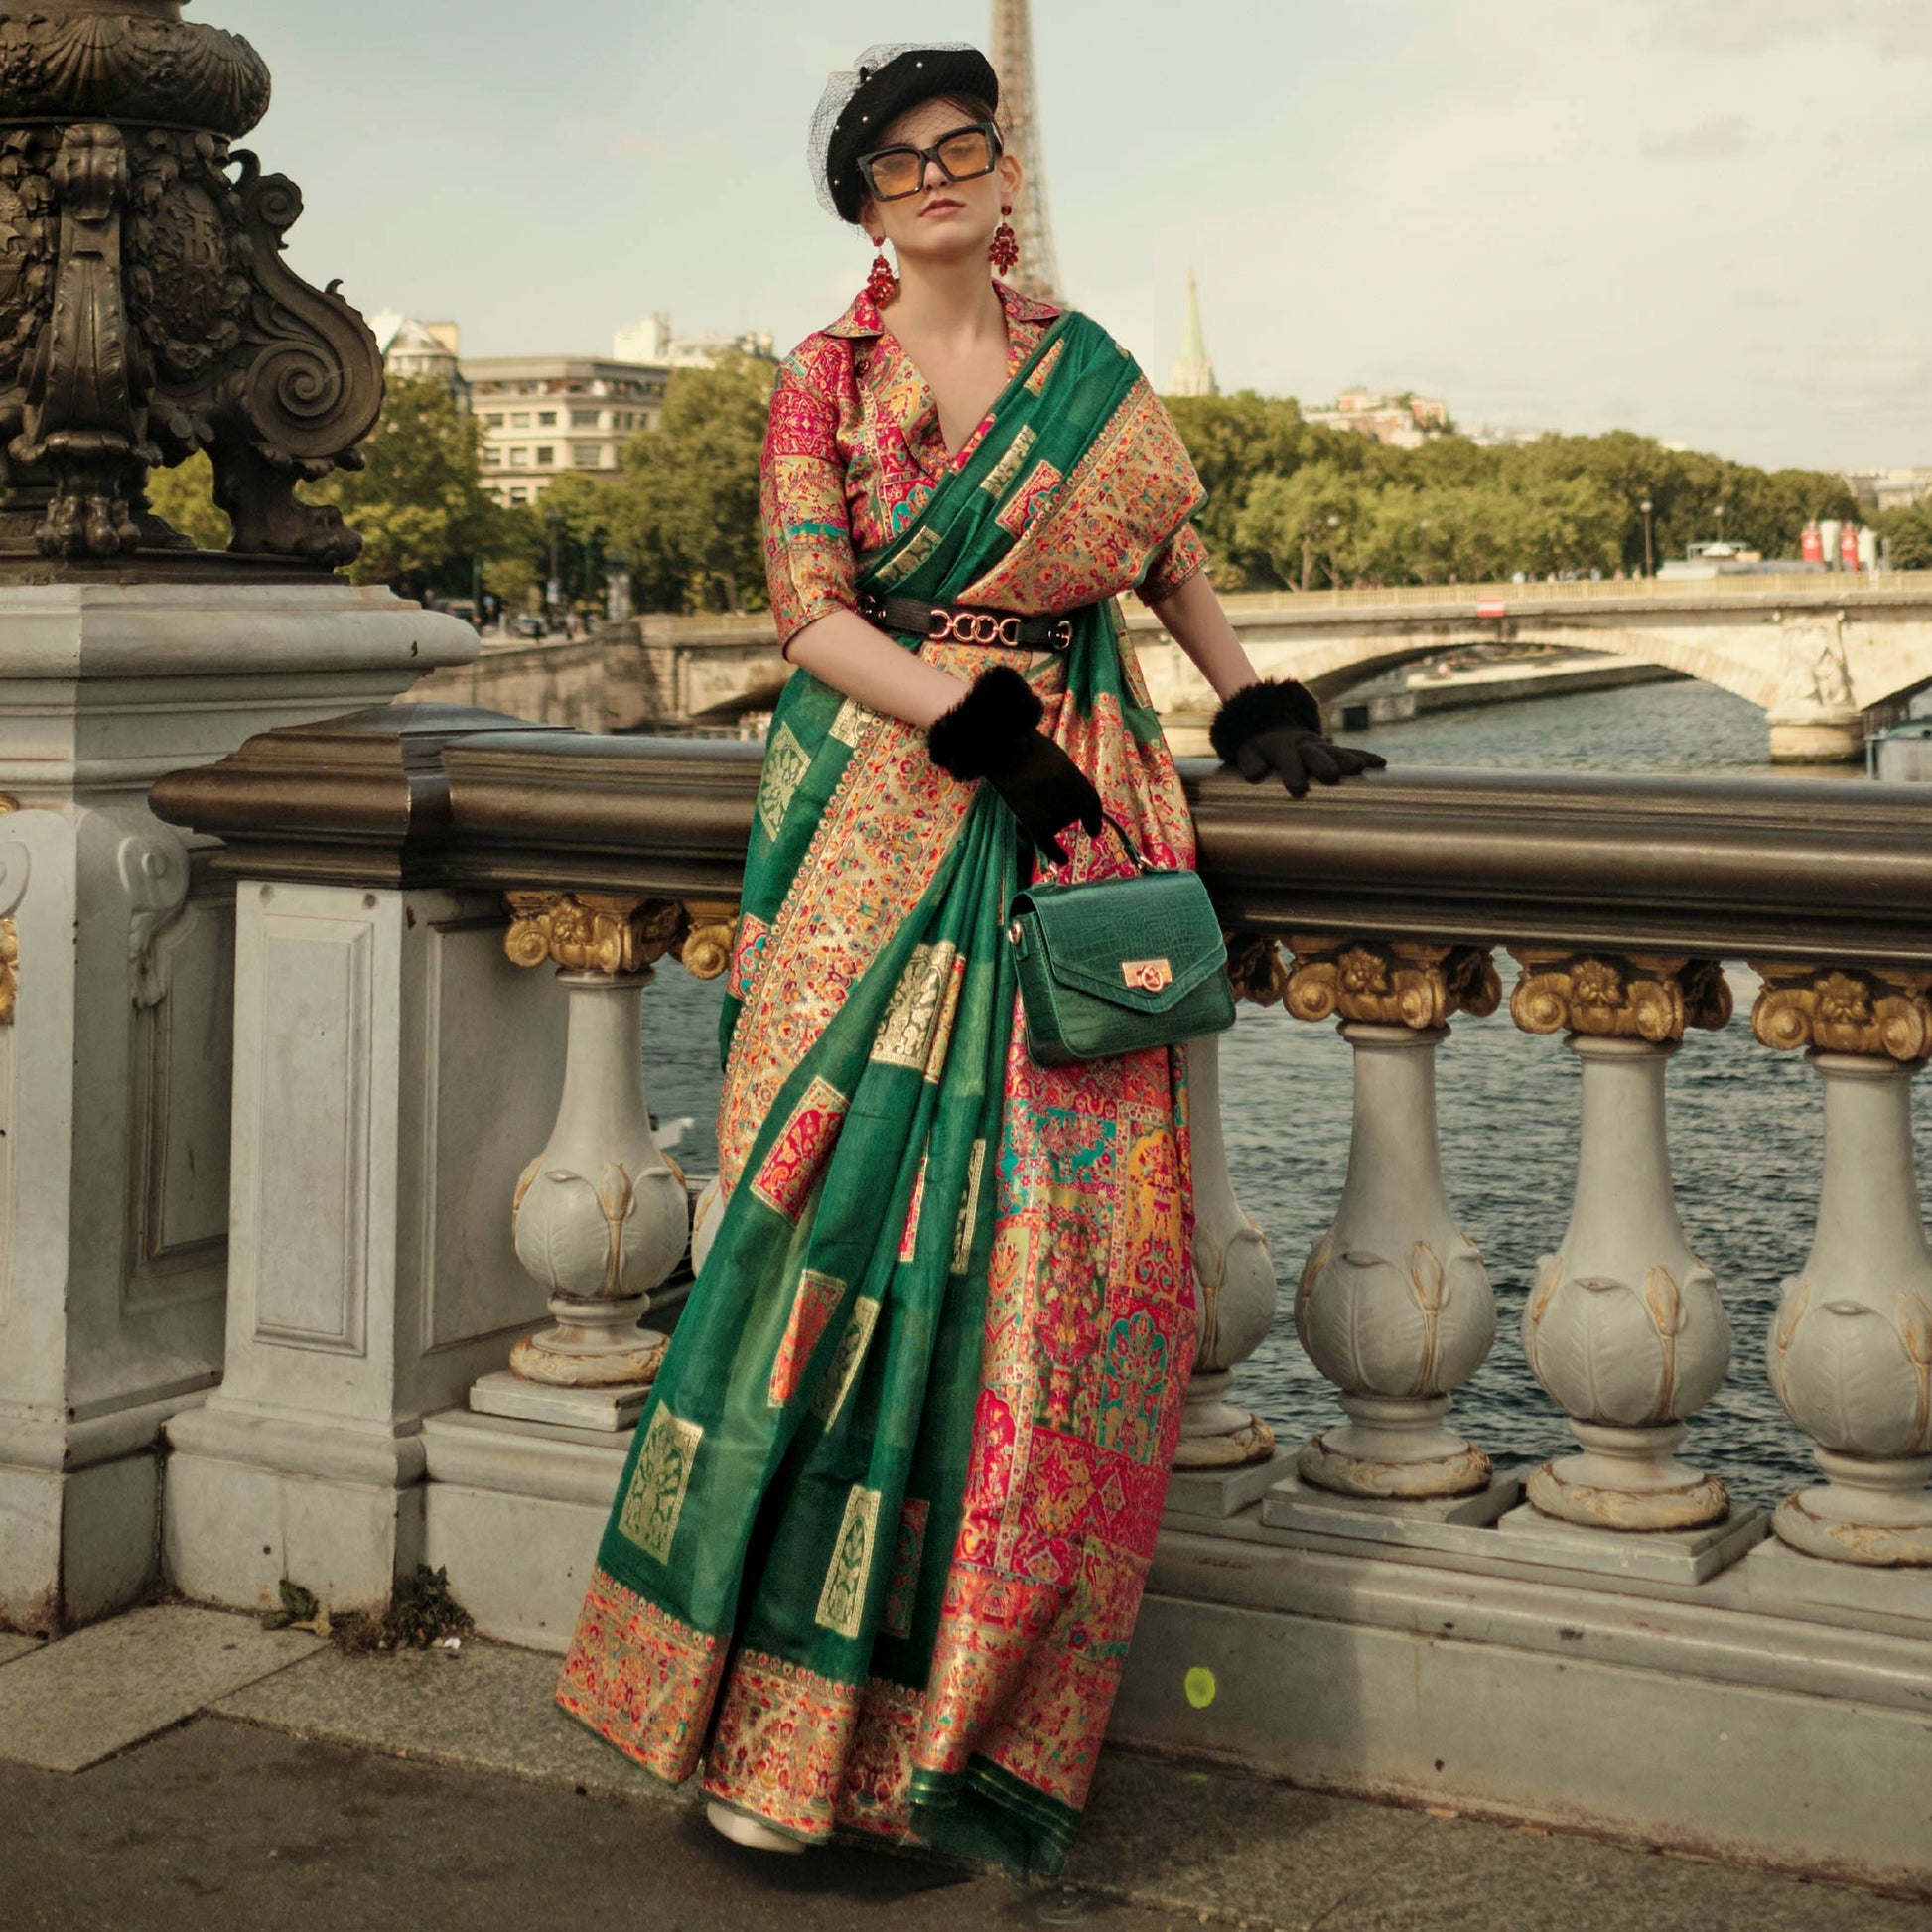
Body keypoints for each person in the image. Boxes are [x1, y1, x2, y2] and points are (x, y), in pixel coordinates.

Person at [556, 40, 1383, 1877]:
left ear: (1003, 171)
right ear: (861, 200)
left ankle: (955, 1735)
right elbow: (811, 616)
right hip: (887, 818)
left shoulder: (1084, 372)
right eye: (902, 162)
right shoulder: (820, 381)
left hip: (1080, 812)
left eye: (967, 148)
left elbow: (1166, 561)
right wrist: (979, 730)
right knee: (821, 1247)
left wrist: (1257, 709)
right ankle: (768, 1745)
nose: (942, 179)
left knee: (1047, 1287)